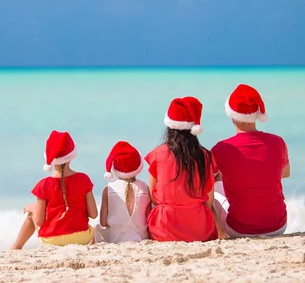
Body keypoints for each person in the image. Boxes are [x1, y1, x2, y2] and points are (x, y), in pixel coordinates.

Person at [211, 84, 291, 238]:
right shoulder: (277, 142)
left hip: (239, 230)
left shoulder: (221, 148)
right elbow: (285, 173)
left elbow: (205, 183)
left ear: (232, 116)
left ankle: (220, 234)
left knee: (213, 192)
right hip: (278, 226)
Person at [144, 97, 226, 242]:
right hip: (199, 229)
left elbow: (153, 197)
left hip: (164, 229)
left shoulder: (157, 153)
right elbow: (209, 200)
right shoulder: (205, 156)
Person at [12, 130, 98, 249]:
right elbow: (93, 214)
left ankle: (16, 247)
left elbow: (39, 222)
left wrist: (32, 208)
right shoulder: (84, 179)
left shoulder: (43, 185)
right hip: (82, 238)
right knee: (93, 229)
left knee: (32, 215)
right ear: (71, 155)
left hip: (52, 240)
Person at [94, 141, 151, 244]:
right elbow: (148, 218)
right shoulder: (145, 188)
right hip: (141, 237)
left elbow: (103, 223)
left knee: (97, 227)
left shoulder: (109, 189)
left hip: (116, 238)